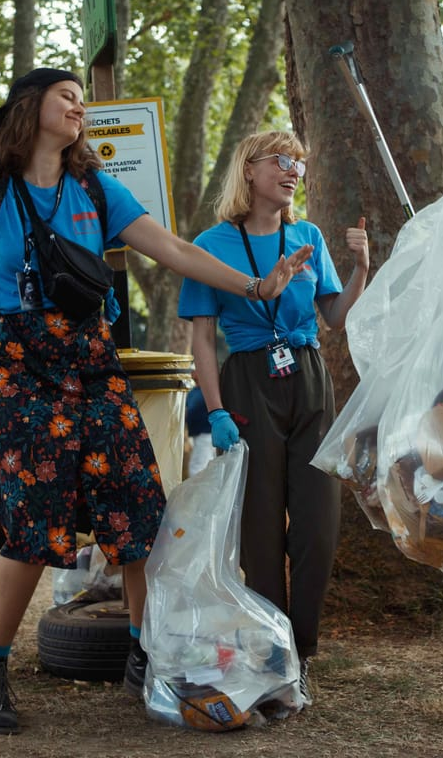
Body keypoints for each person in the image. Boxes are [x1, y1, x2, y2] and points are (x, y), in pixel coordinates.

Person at [0, 23, 312, 736]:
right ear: (30, 108)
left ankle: (143, 656)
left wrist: (255, 287)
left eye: (82, 97)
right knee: (32, 527)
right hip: (20, 374)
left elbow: (170, 249)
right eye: (67, 96)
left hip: (94, 365)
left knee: (138, 511)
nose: (79, 107)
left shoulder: (95, 189)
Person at [178, 130, 369, 705]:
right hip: (247, 383)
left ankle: (301, 651)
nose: (293, 171)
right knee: (261, 530)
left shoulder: (307, 235)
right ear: (250, 170)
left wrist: (361, 268)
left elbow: (333, 316)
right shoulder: (211, 243)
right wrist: (214, 410)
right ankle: (271, 652)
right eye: (281, 161)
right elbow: (204, 339)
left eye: (299, 164)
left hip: (309, 378)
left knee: (317, 524)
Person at [184, 385, 215, 477]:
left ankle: (199, 490)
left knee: (198, 465)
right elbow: (187, 411)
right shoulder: (193, 392)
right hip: (196, 433)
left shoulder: (210, 390)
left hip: (207, 432)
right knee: (200, 464)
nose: (192, 374)